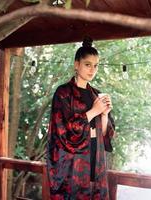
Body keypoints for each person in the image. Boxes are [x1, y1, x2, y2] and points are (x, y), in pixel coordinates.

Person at [47, 37, 115, 200]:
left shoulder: (97, 94)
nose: (92, 70)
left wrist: (104, 114)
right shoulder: (63, 93)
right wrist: (93, 111)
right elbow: (63, 132)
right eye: (87, 64)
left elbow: (105, 135)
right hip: (72, 163)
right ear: (76, 64)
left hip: (95, 158)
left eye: (96, 65)